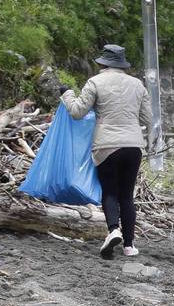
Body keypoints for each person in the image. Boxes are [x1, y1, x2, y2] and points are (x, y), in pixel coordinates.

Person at [48, 45, 151, 260]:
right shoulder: (138, 85)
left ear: (103, 63)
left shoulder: (95, 82)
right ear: (122, 65)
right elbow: (146, 120)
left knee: (110, 192)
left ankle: (113, 230)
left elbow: (77, 112)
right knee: (127, 196)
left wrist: (66, 94)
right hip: (133, 146)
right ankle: (130, 246)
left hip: (107, 146)